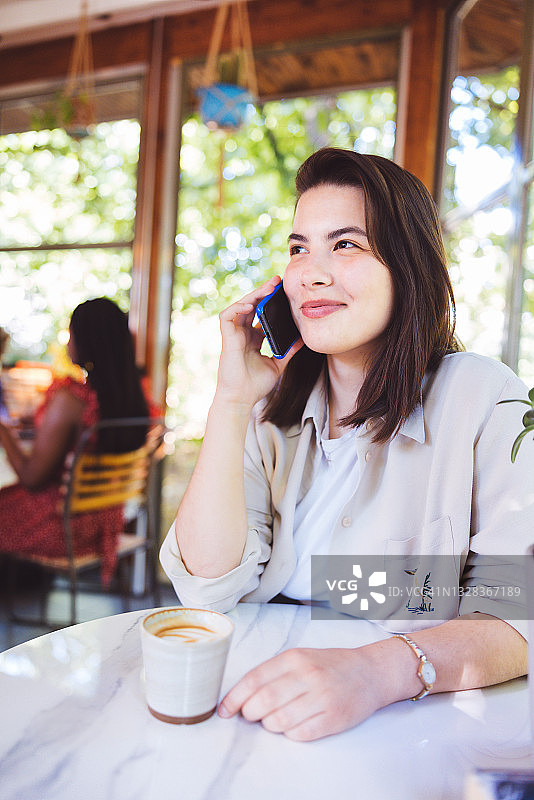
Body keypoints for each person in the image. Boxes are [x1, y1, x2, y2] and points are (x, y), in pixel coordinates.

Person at [160, 147, 533, 741]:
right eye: (298, 247)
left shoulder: (482, 397)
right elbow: (207, 583)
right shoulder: (269, 413)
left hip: (412, 720)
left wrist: (373, 671)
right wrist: (230, 402)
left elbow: (520, 618)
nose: (310, 271)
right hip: (255, 703)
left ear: (408, 267)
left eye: (347, 244)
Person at [0, 297, 151, 584]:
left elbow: (32, 478)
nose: (68, 343)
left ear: (87, 340)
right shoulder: (134, 400)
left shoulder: (71, 400)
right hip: (106, 523)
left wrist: (3, 430)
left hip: (63, 528)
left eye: (71, 334)